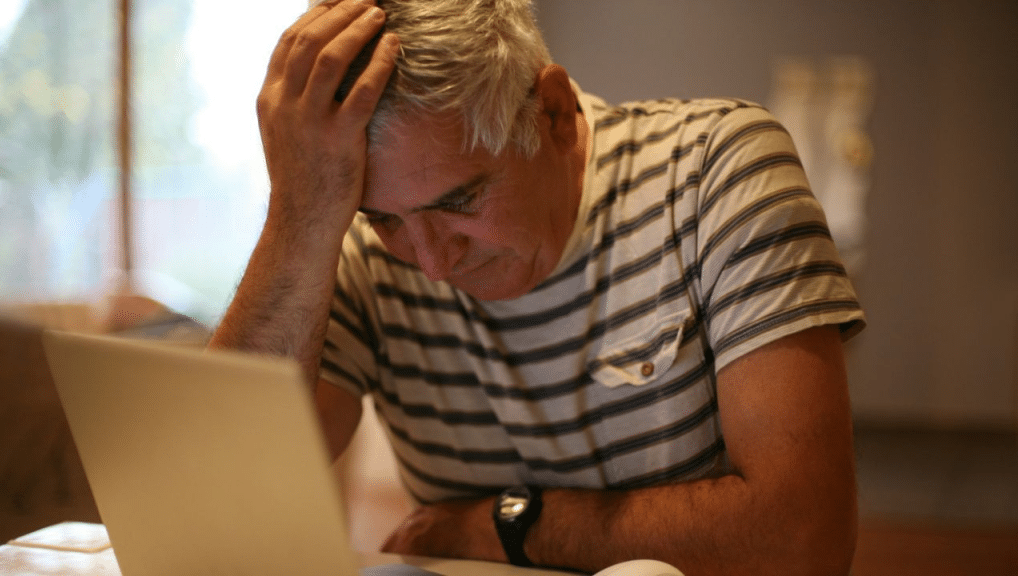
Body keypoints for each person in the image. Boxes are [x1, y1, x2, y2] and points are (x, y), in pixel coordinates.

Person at [209, 0, 866, 574]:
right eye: (382, 217)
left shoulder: (715, 172)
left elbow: (801, 543)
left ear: (552, 113)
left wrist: (502, 526)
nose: (431, 265)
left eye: (459, 202)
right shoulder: (364, 259)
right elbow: (221, 502)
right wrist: (300, 215)